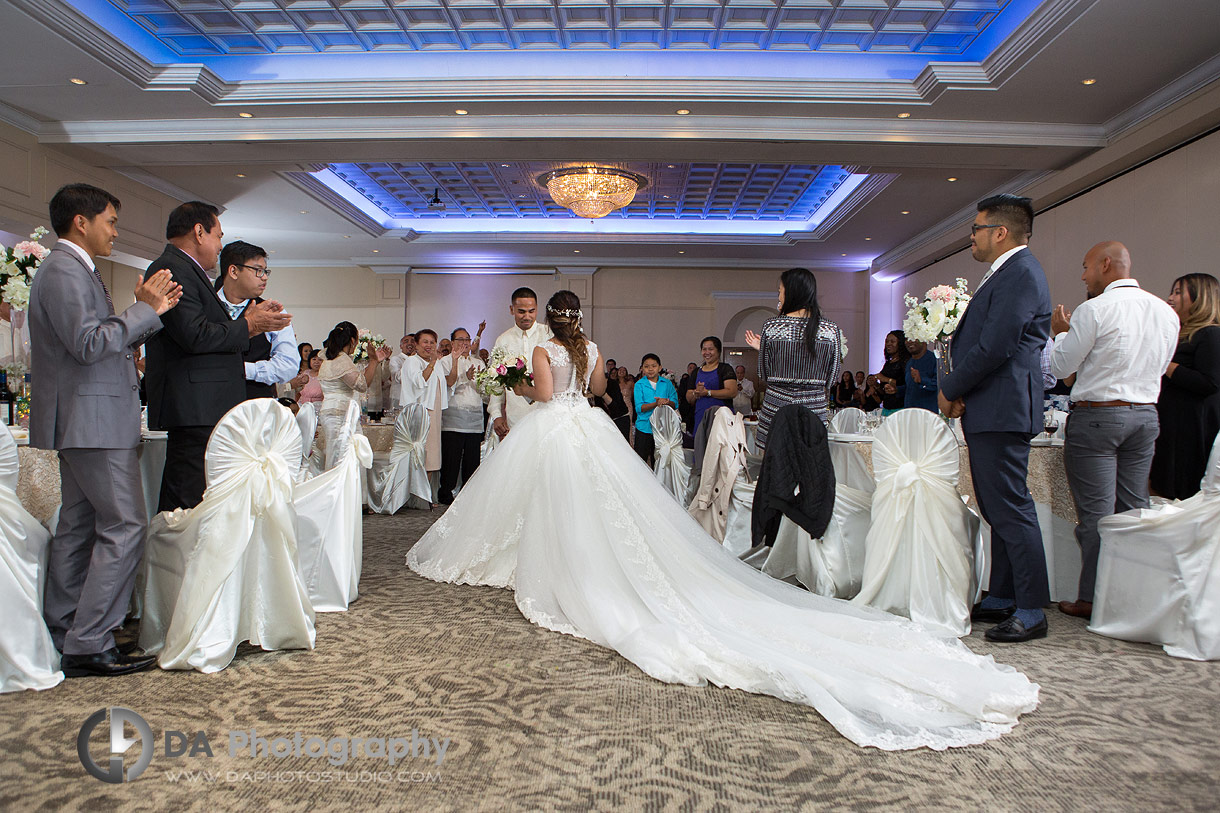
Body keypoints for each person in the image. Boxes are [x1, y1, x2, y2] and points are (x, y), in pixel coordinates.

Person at [407, 289, 1038, 752]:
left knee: (554, 497)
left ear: (548, 317)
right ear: (582, 320)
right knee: (604, 501)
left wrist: (519, 385)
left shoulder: (544, 348)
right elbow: (597, 390)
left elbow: (544, 396)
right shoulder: (591, 347)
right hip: (588, 427)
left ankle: (556, 560)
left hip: (552, 428)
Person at [29, 183, 181, 677]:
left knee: (78, 527)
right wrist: (145, 310)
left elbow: (98, 341)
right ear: (82, 221)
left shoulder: (72, 270)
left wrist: (142, 311)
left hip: (87, 419)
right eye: (111, 221)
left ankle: (67, 628)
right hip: (93, 422)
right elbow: (90, 344)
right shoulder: (63, 270)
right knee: (124, 526)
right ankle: (90, 639)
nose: (116, 230)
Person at [938, 194, 1051, 643]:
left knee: (1010, 505)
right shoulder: (1008, 273)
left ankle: (1030, 607)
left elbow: (996, 345)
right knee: (996, 506)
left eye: (976, 228)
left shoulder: (1020, 272)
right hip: (994, 404)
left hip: (1003, 406)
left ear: (1000, 232)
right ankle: (1003, 595)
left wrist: (951, 388)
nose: (972, 236)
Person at [1049, 242, 1178, 621]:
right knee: (1135, 510)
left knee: (1097, 516)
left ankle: (1092, 598)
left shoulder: (1095, 309)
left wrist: (1060, 333)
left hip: (1099, 418)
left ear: (1106, 265)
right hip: (1146, 417)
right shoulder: (1165, 313)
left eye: (1086, 267)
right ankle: (1134, 596)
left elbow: (1060, 368)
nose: (1083, 276)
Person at [144, 201, 291, 512]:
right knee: (187, 504)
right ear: (199, 232)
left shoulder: (190, 272)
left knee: (201, 499)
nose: (220, 246)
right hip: (194, 406)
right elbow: (194, 334)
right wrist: (249, 326)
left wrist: (248, 324)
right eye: (218, 236)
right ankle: (178, 561)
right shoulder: (171, 269)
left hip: (205, 406)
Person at [745, 268, 842, 451]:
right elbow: (832, 377)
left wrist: (770, 351)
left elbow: (763, 373)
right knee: (811, 470)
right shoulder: (830, 330)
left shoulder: (772, 326)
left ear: (790, 292)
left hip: (777, 407)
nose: (779, 296)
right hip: (814, 409)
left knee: (778, 470)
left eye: (780, 291)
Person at [1151, 274, 1220, 499]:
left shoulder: (1210, 333)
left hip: (1193, 430)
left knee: (1185, 493)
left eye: (1178, 292)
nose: (1170, 298)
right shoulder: (1181, 333)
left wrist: (1167, 365)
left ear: (1200, 297)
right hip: (1174, 426)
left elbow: (1210, 382)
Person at [213, 240, 299, 401]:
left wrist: (245, 370)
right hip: (208, 404)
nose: (264, 277)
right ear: (233, 271)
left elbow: (289, 366)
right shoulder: (203, 306)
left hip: (255, 408)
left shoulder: (272, 312)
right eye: (258, 271)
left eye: (266, 271)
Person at [317, 321, 391, 469]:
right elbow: (362, 385)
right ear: (352, 340)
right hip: (340, 414)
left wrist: (375, 362)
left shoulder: (328, 358)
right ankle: (341, 490)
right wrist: (373, 361)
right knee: (342, 457)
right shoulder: (342, 360)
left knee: (336, 455)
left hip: (331, 411)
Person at [488, 287, 553, 440]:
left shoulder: (549, 335)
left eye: (531, 311)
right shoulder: (503, 340)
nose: (527, 316)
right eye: (521, 311)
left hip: (546, 414)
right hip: (515, 417)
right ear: (512, 309)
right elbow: (495, 382)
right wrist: (497, 414)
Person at [438, 327, 486, 505]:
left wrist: (481, 382)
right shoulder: (444, 361)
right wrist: (464, 377)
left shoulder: (479, 362)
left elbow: (484, 390)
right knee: (451, 458)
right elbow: (445, 387)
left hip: (474, 416)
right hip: (453, 417)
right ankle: (446, 493)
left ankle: (469, 494)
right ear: (452, 343)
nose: (465, 343)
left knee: (472, 459)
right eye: (460, 339)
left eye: (467, 339)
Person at [399, 329, 447, 478]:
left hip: (434, 411)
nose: (429, 345)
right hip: (420, 413)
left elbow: (445, 385)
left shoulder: (436, 363)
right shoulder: (412, 361)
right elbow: (420, 381)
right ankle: (416, 496)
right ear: (417, 345)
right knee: (419, 455)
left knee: (431, 457)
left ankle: (426, 496)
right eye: (425, 342)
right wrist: (432, 362)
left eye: (432, 342)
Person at [632, 353, 679, 466]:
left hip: (662, 428)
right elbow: (639, 408)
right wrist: (656, 404)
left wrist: (667, 402)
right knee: (640, 461)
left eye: (653, 366)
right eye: (646, 366)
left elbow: (675, 403)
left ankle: (658, 483)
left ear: (660, 367)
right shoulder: (639, 384)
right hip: (644, 427)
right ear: (642, 368)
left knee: (660, 462)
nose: (650, 369)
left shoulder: (666, 383)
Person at [686, 336, 738, 434]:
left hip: (722, 419)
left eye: (711, 349)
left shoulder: (725, 369)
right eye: (704, 349)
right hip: (700, 417)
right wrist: (695, 393)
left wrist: (708, 392)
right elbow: (689, 398)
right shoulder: (696, 371)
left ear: (718, 351)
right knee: (701, 447)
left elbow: (732, 391)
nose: (707, 352)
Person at [876, 330, 910, 416]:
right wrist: (876, 385)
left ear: (900, 343)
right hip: (887, 407)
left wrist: (886, 379)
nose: (888, 344)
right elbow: (884, 390)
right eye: (887, 341)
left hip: (900, 408)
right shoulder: (888, 363)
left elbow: (908, 385)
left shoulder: (906, 362)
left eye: (892, 341)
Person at [903, 338, 939, 413]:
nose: (909, 341)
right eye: (906, 339)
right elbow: (910, 388)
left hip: (927, 415)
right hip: (909, 413)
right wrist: (896, 389)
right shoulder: (909, 362)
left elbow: (938, 385)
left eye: (913, 338)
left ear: (924, 340)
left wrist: (921, 380)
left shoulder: (934, 360)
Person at [388, 333, 416, 410]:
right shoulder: (396, 359)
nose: (410, 343)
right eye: (406, 341)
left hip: (415, 400)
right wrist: (410, 360)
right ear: (401, 346)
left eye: (413, 341)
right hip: (398, 399)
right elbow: (399, 378)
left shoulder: (419, 361)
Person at [677, 361, 698, 429]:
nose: (692, 370)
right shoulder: (684, 380)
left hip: (695, 406)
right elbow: (681, 392)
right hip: (685, 406)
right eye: (690, 368)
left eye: (694, 368)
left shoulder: (698, 380)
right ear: (687, 370)